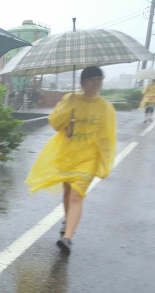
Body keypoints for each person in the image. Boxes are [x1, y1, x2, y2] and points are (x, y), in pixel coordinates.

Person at [25, 66, 117, 254]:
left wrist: (105, 161)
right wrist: (69, 109)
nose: (95, 83)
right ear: (82, 83)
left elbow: (107, 137)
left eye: (99, 79)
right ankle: (68, 220)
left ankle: (67, 237)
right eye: (92, 79)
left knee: (76, 195)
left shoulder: (105, 107)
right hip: (68, 154)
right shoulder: (71, 99)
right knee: (68, 191)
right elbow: (56, 123)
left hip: (89, 158)